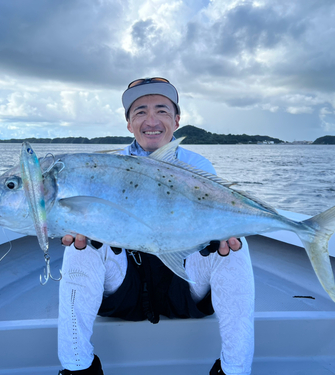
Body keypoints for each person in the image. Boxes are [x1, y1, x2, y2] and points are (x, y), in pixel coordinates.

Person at [58, 78, 255, 375]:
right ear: (128, 124)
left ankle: (234, 371)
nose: (151, 121)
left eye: (161, 111)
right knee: (81, 245)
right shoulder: (105, 167)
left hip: (184, 287)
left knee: (235, 248)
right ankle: (78, 369)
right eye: (140, 112)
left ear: (176, 120)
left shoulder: (198, 166)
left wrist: (222, 235)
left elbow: (219, 213)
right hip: (125, 287)